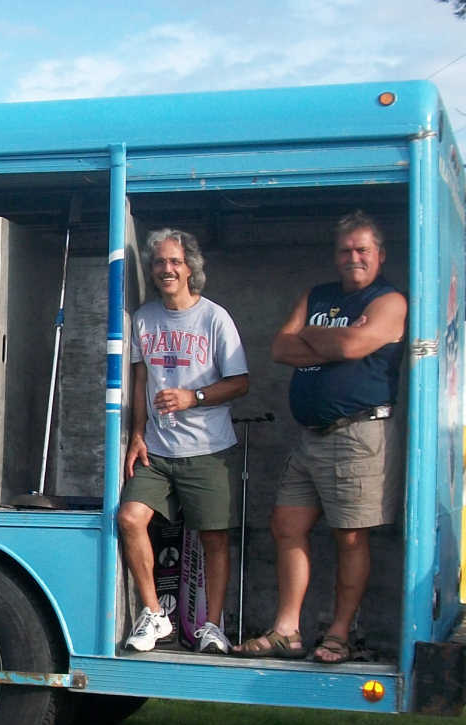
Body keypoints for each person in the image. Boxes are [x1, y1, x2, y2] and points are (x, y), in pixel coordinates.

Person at [235, 211, 406, 663]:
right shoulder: (319, 295)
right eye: (345, 250)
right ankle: (286, 631)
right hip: (310, 437)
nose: (353, 258)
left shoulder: (389, 301)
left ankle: (338, 634)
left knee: (350, 537)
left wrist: (315, 333)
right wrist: (334, 337)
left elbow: (352, 347)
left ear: (379, 255)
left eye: (362, 250)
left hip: (358, 435)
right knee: (286, 526)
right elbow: (279, 347)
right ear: (335, 256)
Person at [117, 230, 249, 654]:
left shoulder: (214, 318)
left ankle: (213, 626)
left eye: (174, 261)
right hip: (157, 450)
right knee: (130, 518)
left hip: (207, 450)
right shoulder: (143, 318)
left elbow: (241, 382)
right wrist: (137, 434)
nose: (166, 270)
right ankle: (155, 615)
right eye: (159, 262)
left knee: (214, 538)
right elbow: (140, 382)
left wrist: (195, 397)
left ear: (191, 267)